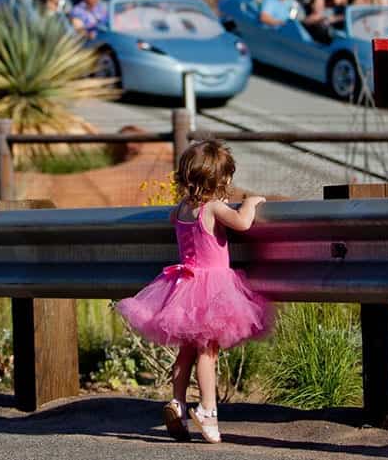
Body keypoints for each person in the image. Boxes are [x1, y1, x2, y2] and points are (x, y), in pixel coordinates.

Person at [117, 141, 273, 444]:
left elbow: (171, 221)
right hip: (212, 288)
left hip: (183, 286)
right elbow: (242, 223)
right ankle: (207, 409)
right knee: (207, 351)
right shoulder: (213, 208)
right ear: (221, 180)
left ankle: (177, 401)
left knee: (186, 350)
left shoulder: (180, 210)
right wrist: (251, 203)